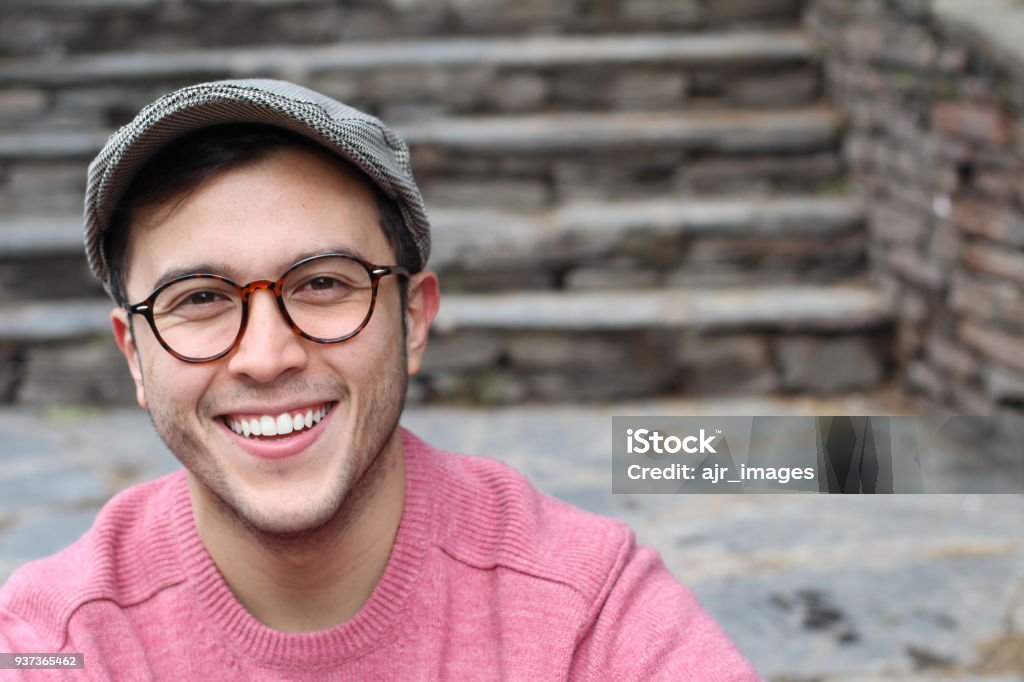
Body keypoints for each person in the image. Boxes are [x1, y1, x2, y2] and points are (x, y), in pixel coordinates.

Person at [0, 79, 760, 680]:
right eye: (199, 299)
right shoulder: (55, 641)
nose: (266, 357)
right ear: (134, 355)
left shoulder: (584, 609)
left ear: (414, 321)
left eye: (324, 284)